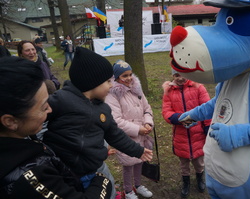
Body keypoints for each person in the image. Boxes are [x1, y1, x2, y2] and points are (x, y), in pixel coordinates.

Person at [42, 47, 153, 199]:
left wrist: (137, 150)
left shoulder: (103, 109)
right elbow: (36, 118)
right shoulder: (62, 100)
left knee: (109, 191)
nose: (112, 85)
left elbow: (115, 135)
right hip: (64, 171)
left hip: (94, 169)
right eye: (108, 81)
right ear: (92, 82)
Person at [0, 56, 112, 199]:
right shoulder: (29, 178)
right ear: (10, 121)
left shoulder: (23, 138)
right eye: (43, 107)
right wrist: (101, 179)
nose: (50, 110)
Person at [105, 60, 154, 199]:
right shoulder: (112, 94)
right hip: (127, 137)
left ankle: (137, 185)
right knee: (128, 164)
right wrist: (138, 129)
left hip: (142, 133)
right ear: (116, 77)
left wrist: (148, 123)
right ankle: (128, 190)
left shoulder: (136, 89)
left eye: (130, 74)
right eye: (124, 76)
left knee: (140, 160)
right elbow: (116, 120)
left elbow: (147, 108)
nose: (129, 78)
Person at [162, 69, 211, 198]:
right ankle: (186, 182)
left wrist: (207, 127)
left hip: (198, 133)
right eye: (176, 75)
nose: (180, 78)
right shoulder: (169, 91)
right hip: (180, 134)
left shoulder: (198, 87)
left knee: (199, 160)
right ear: (173, 76)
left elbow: (207, 108)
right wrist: (178, 118)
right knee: (183, 162)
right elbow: (166, 111)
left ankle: (200, 178)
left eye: (183, 74)